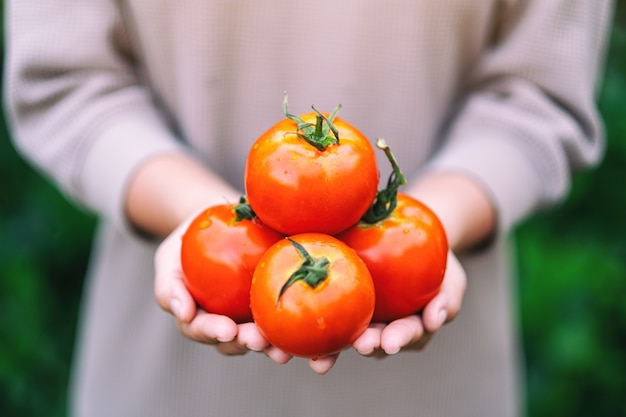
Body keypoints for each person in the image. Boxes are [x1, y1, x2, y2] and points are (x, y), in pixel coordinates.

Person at [4, 1, 614, 416]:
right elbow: (67, 78)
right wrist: (194, 212)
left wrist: (436, 225)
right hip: (169, 383)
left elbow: (541, 92)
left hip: (431, 389)